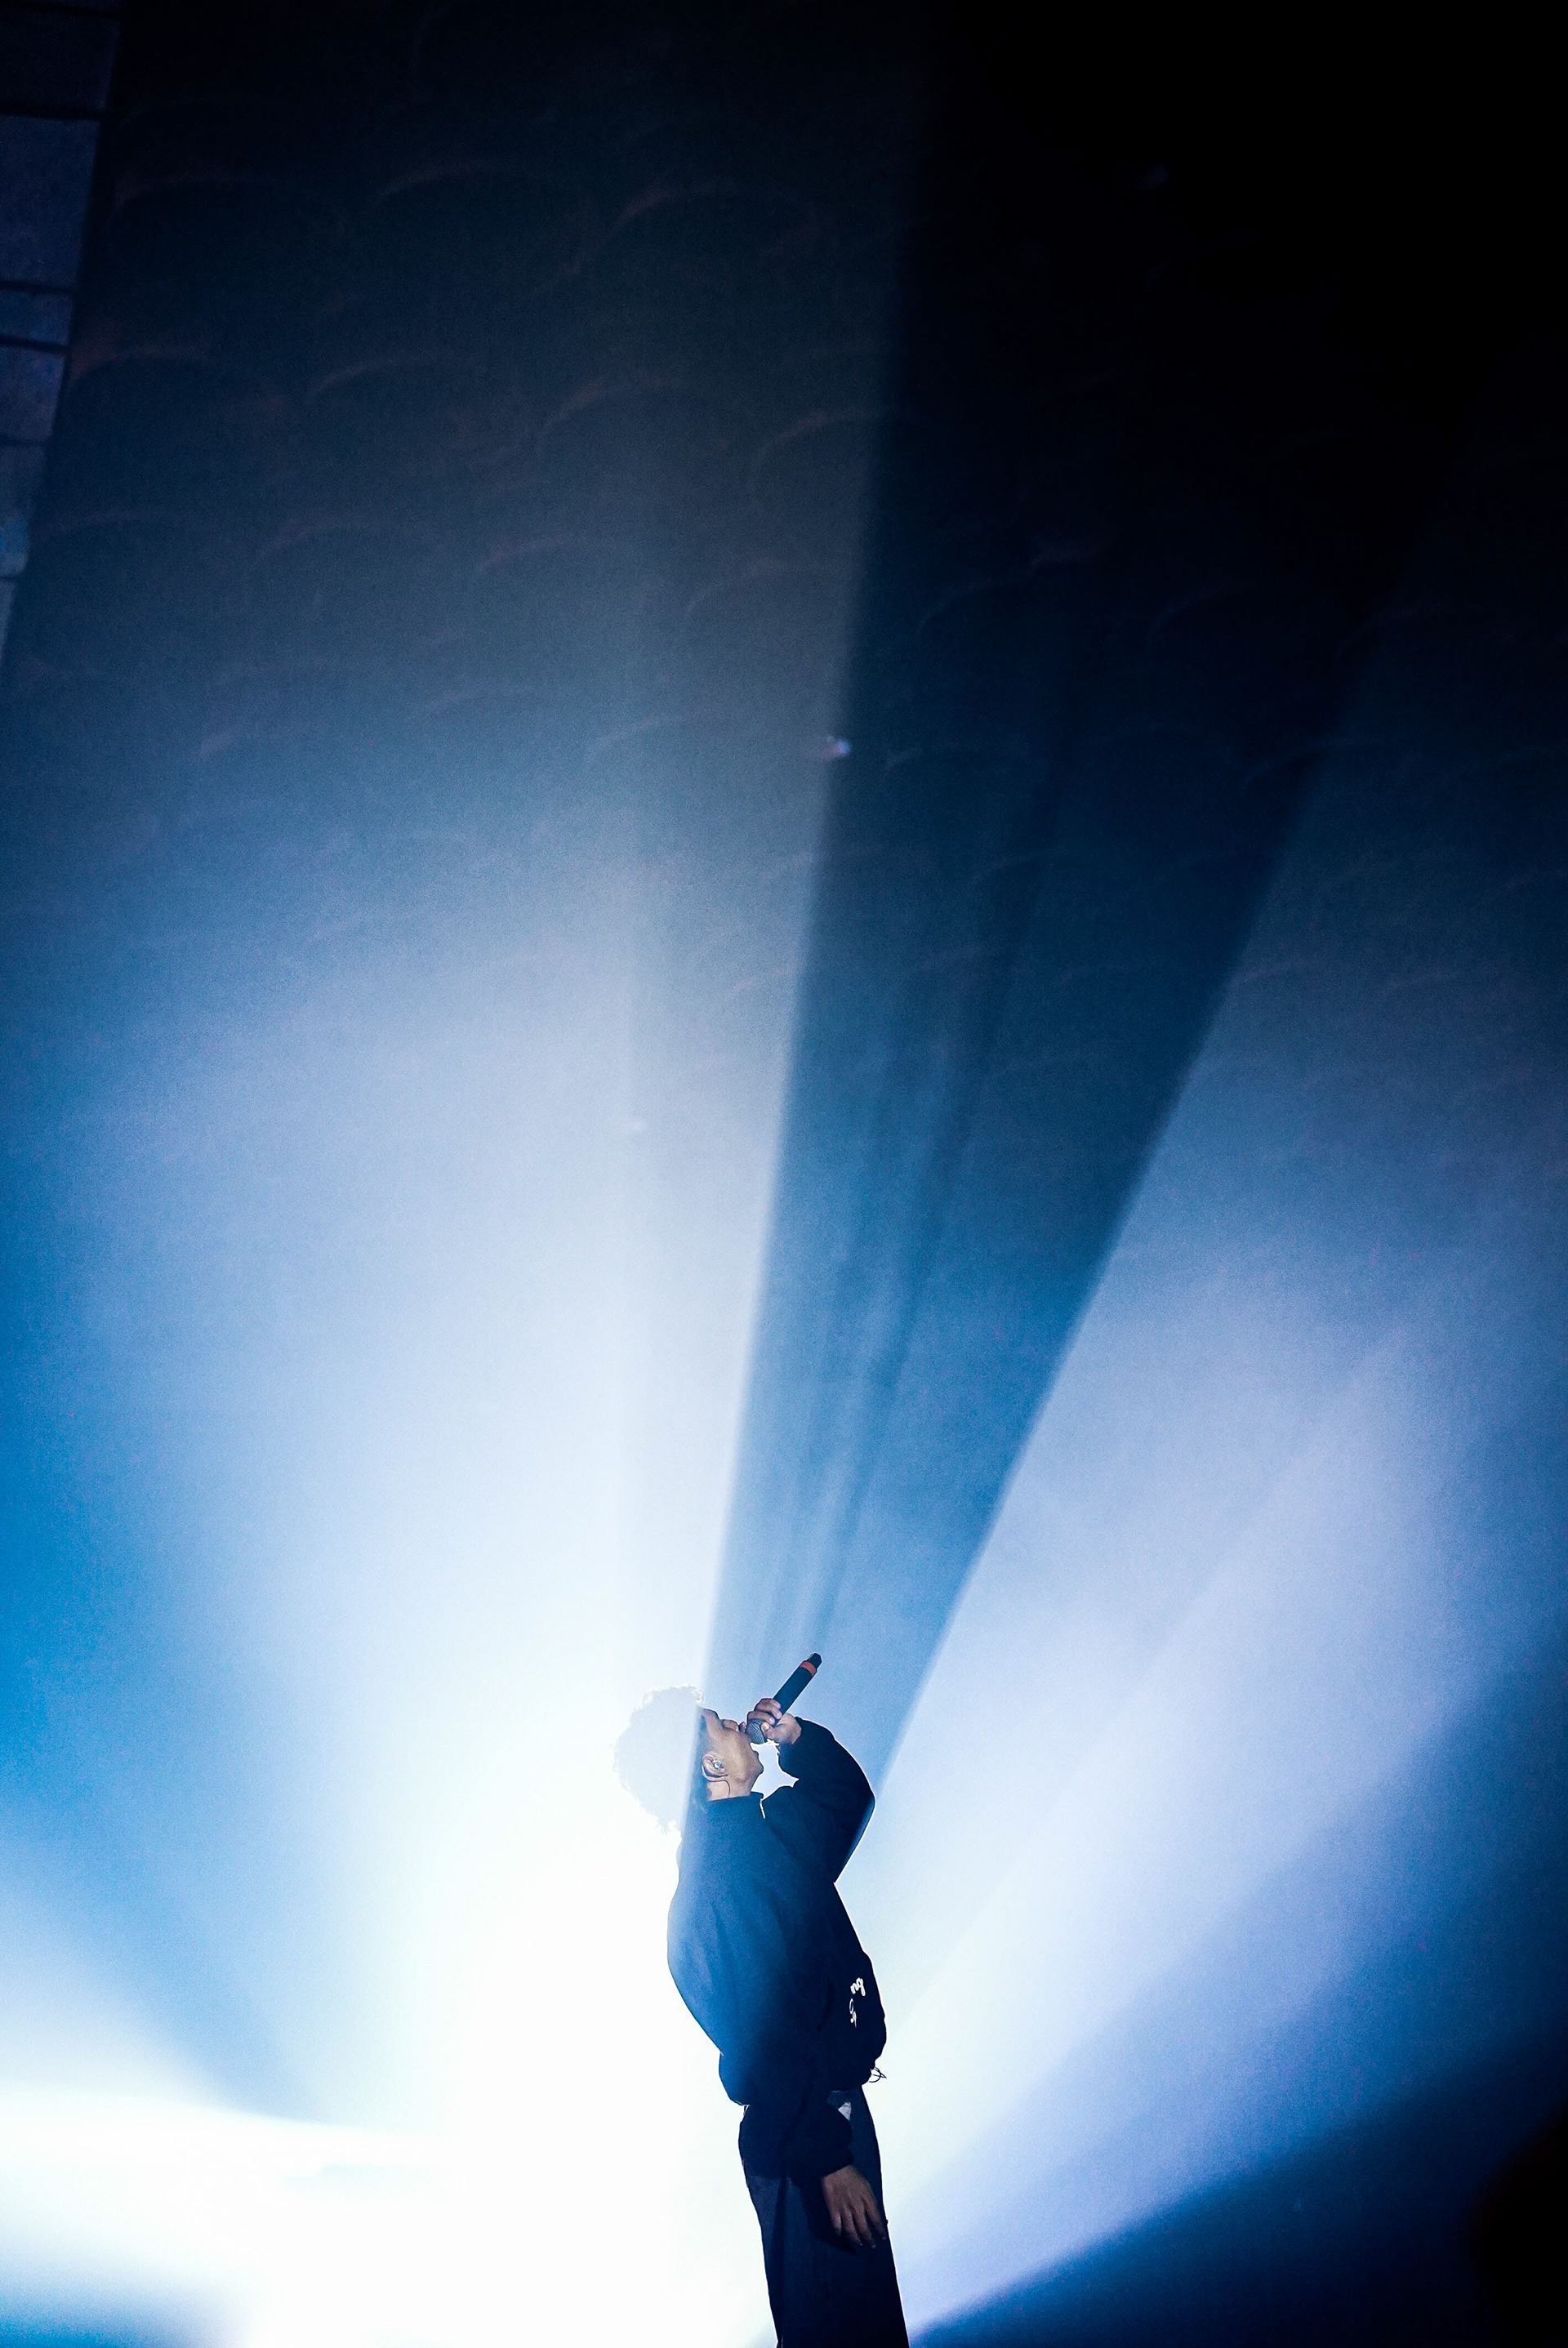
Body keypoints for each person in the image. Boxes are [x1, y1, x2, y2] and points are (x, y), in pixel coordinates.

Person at [615, 1686, 909, 2348]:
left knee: (866, 2322)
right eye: (717, 1724)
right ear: (711, 1765)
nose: (734, 1723)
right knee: (836, 2325)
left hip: (830, 2114)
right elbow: (766, 2034)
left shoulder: (770, 1832)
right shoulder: (717, 1880)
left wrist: (797, 1739)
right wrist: (828, 2161)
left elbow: (846, 1798)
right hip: (805, 2136)